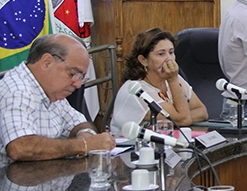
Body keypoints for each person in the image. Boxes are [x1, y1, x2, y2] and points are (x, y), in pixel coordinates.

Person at [0, 34, 116, 165]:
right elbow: (19, 147)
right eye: (73, 74)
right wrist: (84, 145)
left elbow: (79, 123)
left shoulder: (50, 89)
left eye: (81, 77)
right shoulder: (17, 90)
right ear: (47, 62)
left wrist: (86, 134)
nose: (78, 84)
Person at [111, 28, 208, 135]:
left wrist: (177, 118)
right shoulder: (136, 90)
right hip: (132, 147)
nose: (169, 59)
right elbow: (184, 119)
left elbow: (202, 111)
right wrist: (173, 81)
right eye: (161, 54)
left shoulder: (173, 78)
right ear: (144, 60)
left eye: (171, 52)